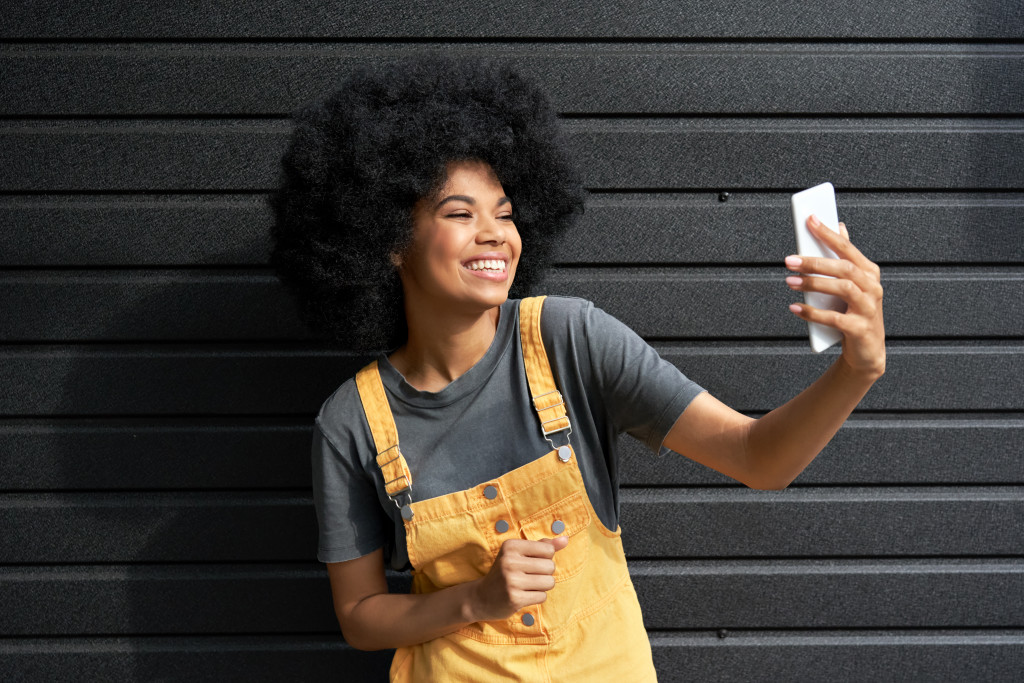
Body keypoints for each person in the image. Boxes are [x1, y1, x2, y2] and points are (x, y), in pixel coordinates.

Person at [269, 56, 885, 681]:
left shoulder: (569, 339)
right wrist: (475, 600)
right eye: (460, 214)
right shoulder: (352, 421)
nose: (495, 234)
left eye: (505, 213)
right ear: (389, 241)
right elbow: (359, 615)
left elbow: (760, 458)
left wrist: (856, 371)